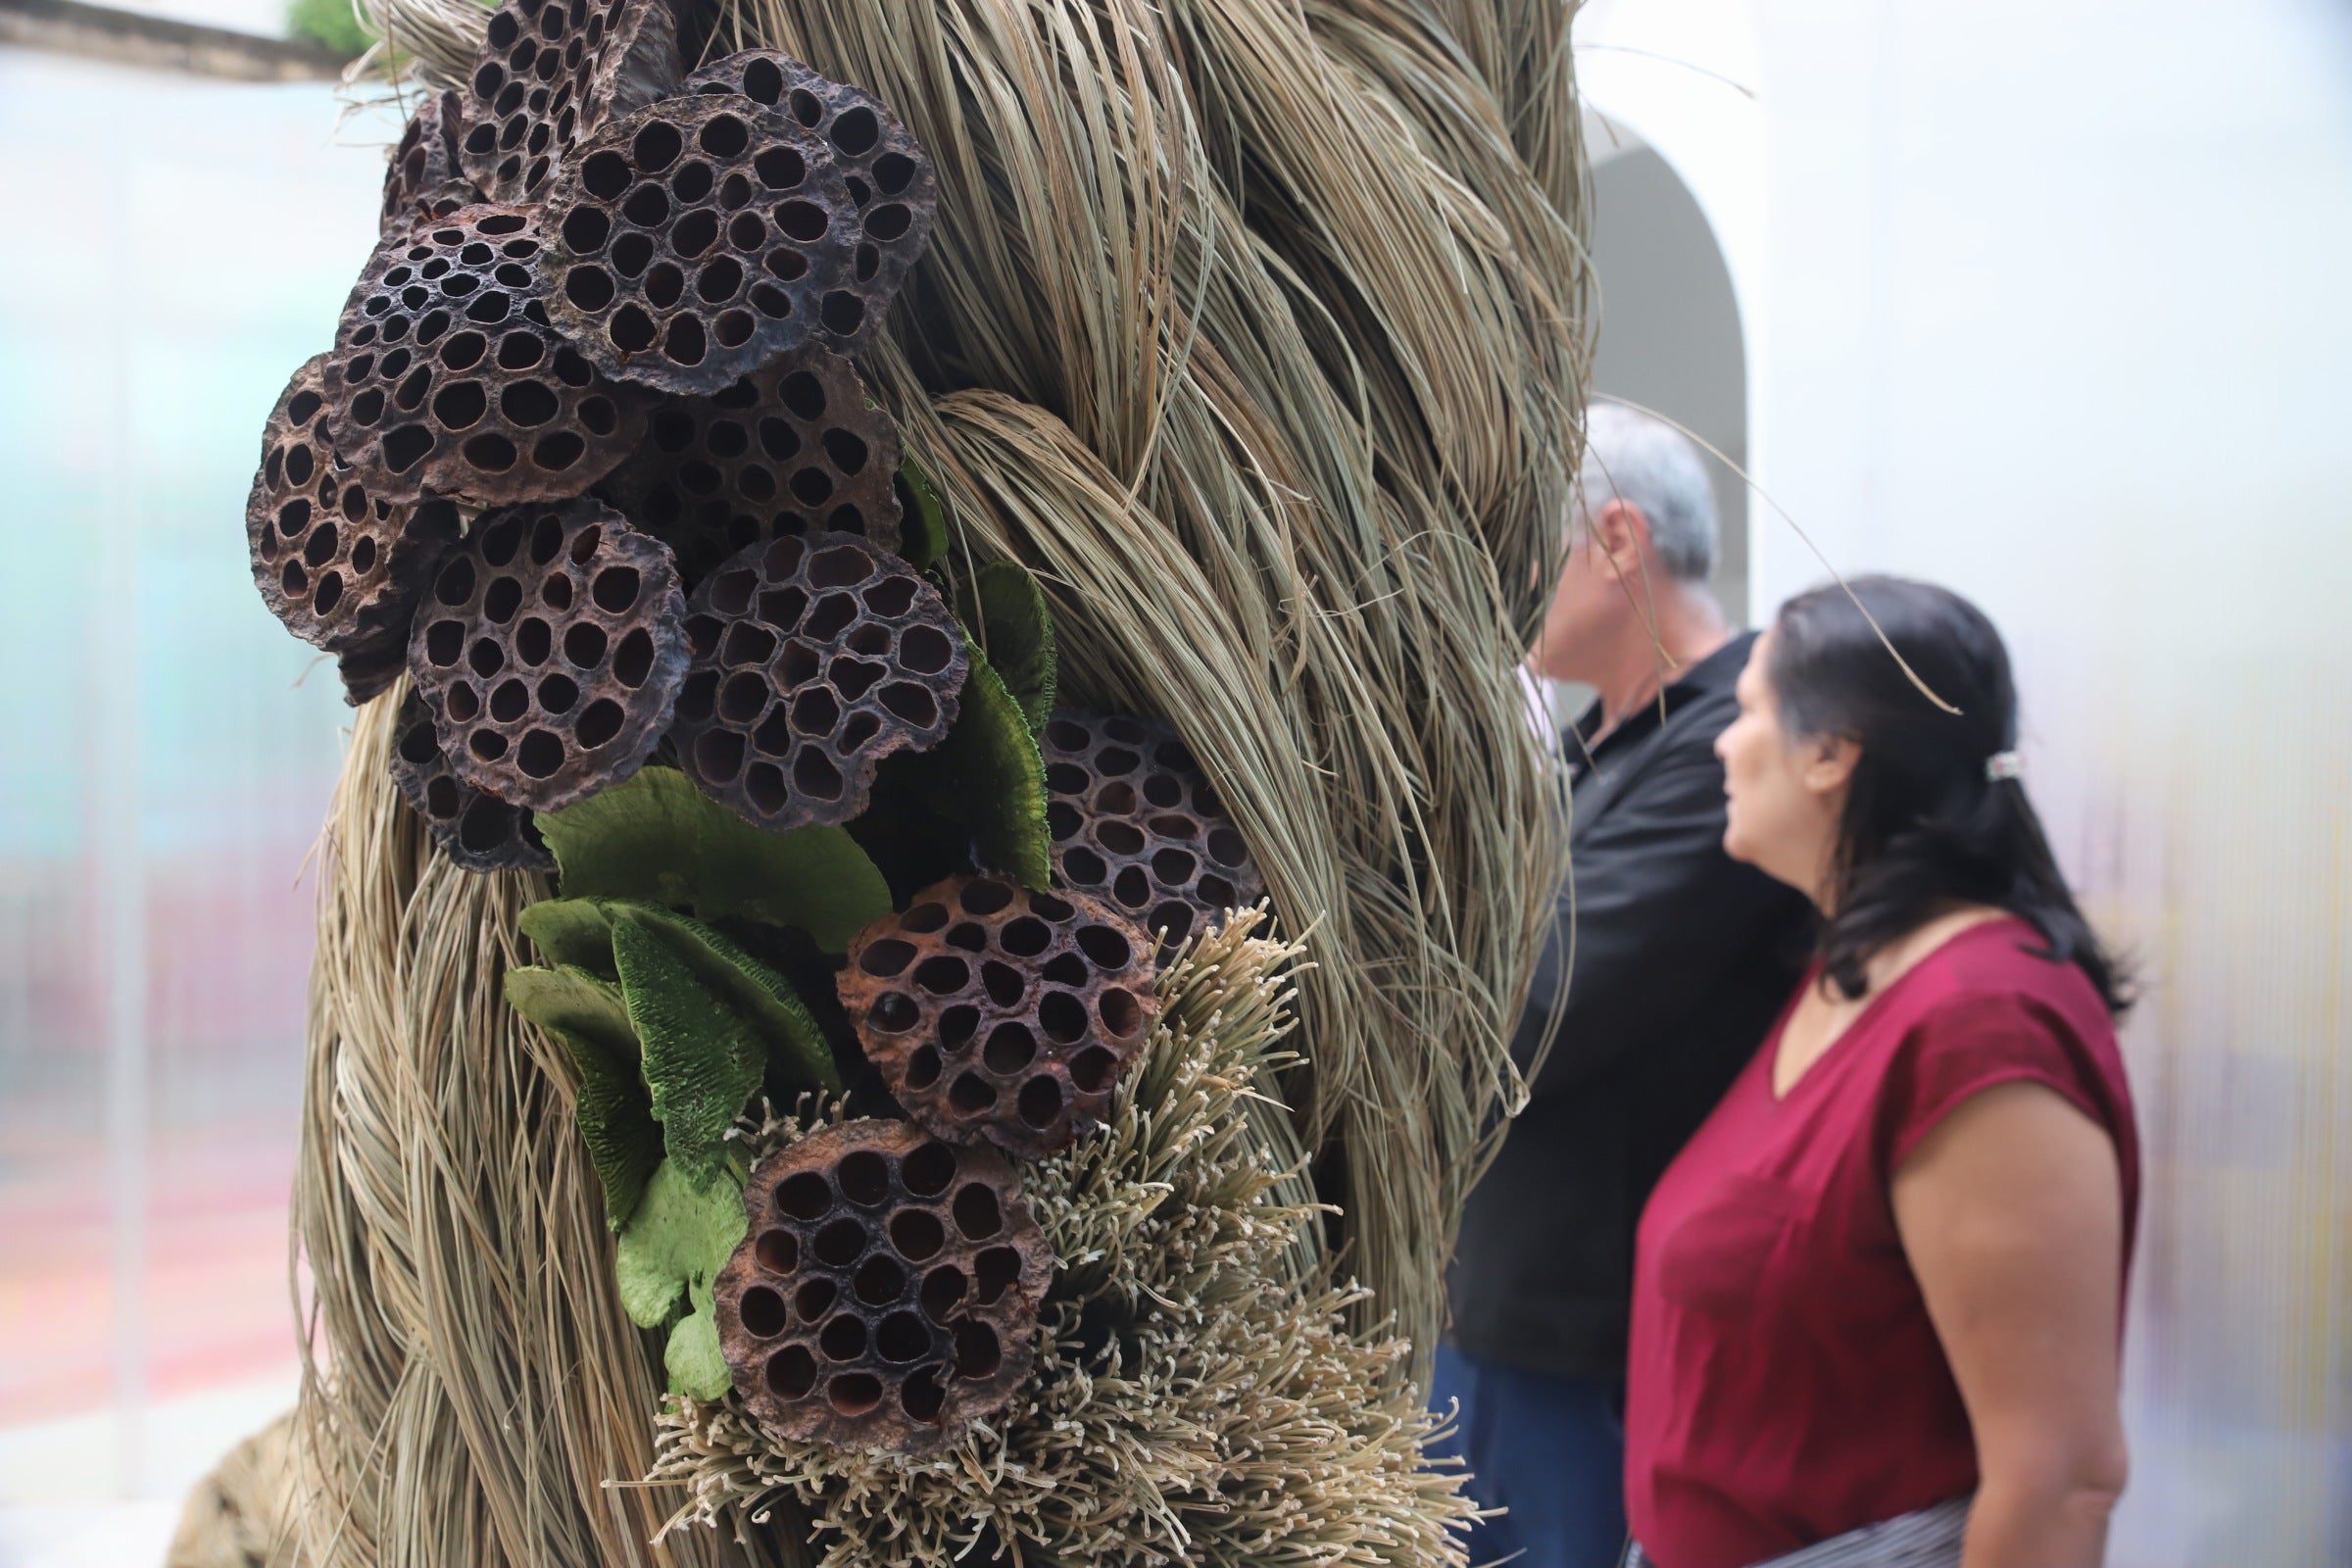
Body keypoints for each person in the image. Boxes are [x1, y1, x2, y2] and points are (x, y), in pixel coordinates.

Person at [1622, 576, 2139, 1568]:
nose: (1722, 744)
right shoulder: (1853, 971)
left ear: (1830, 753)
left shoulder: (1981, 1021)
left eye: (1747, 711)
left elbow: (2061, 1479)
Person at [1441, 406, 1813, 1568]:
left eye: (1521, 558)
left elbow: (1532, 1010)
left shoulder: (1727, 748)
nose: (1502, 597)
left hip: (1588, 1339)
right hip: (1498, 1309)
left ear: (1616, 539)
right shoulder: (1598, 746)